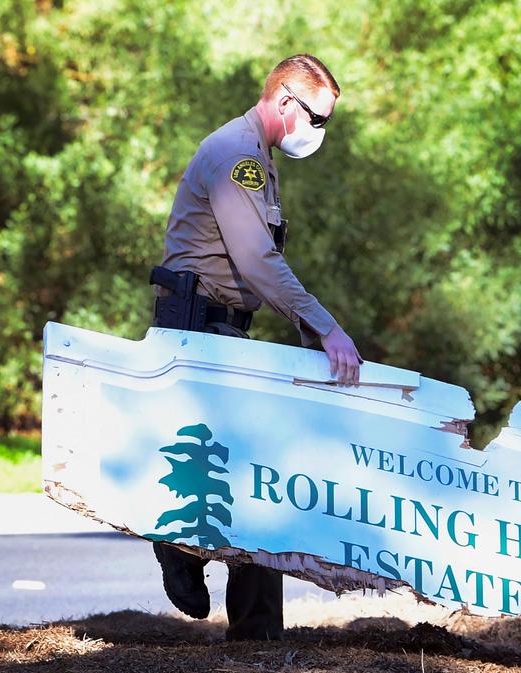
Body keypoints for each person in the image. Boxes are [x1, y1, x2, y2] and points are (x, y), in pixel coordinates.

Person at [148, 53, 362, 641]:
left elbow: (259, 266)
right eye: (317, 119)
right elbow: (257, 259)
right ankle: (183, 555)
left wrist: (301, 325)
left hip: (222, 328)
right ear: (286, 101)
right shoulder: (236, 155)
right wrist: (324, 325)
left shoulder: (257, 158)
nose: (319, 133)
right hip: (196, 328)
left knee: (257, 472)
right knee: (253, 465)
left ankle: (254, 627)